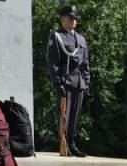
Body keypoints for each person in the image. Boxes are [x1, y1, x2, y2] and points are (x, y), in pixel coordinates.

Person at [46, 5, 90, 157]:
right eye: (70, 17)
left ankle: (72, 142)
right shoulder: (57, 36)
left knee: (75, 116)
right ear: (62, 19)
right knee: (64, 115)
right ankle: (64, 143)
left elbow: (85, 63)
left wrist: (86, 82)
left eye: (75, 18)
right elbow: (53, 62)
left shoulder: (81, 39)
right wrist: (58, 83)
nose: (73, 20)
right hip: (66, 81)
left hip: (79, 82)